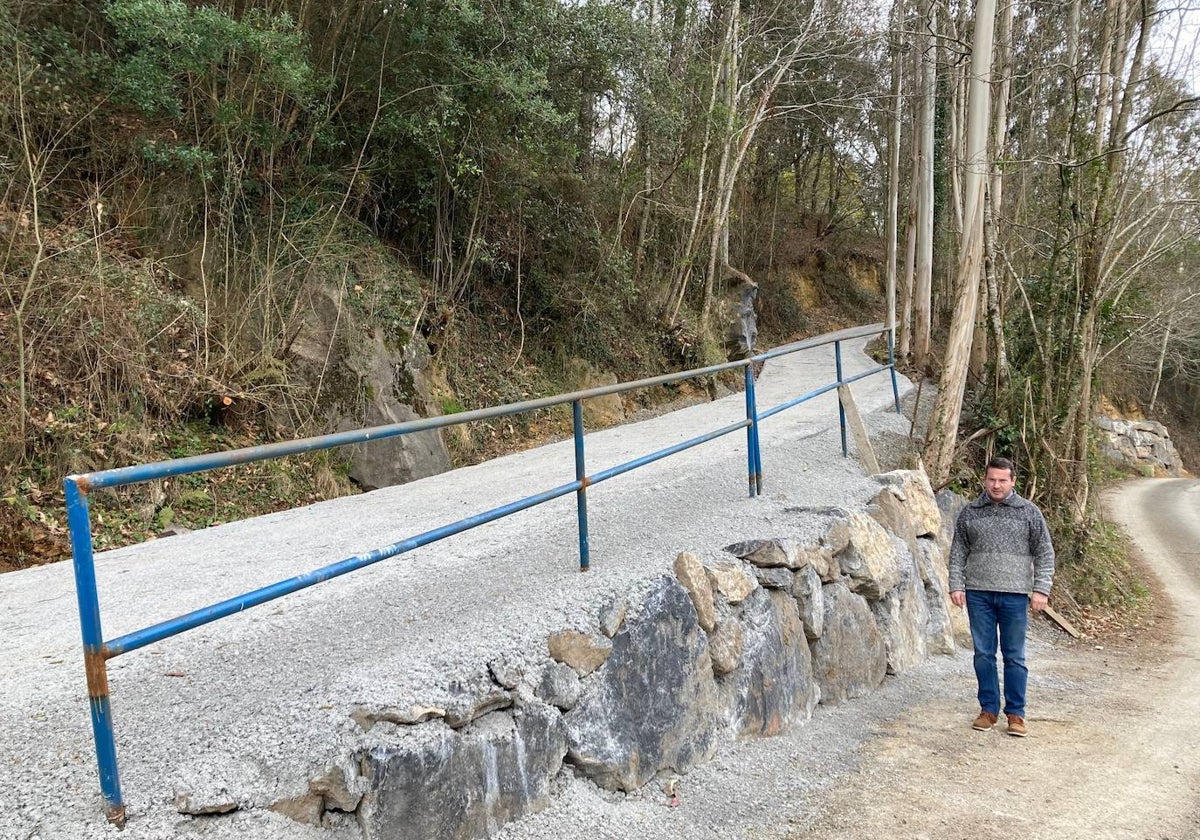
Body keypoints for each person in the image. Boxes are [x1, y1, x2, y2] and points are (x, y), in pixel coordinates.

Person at [948, 456, 1055, 738]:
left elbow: (1044, 552)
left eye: (1002, 480)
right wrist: (956, 585)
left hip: (1015, 595)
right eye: (992, 479)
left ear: (1013, 481)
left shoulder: (1029, 513)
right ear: (985, 480)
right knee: (983, 654)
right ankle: (988, 710)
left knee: (1015, 656)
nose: (996, 485)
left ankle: (1016, 714)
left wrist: (1041, 589)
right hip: (978, 593)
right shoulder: (970, 512)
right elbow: (958, 551)